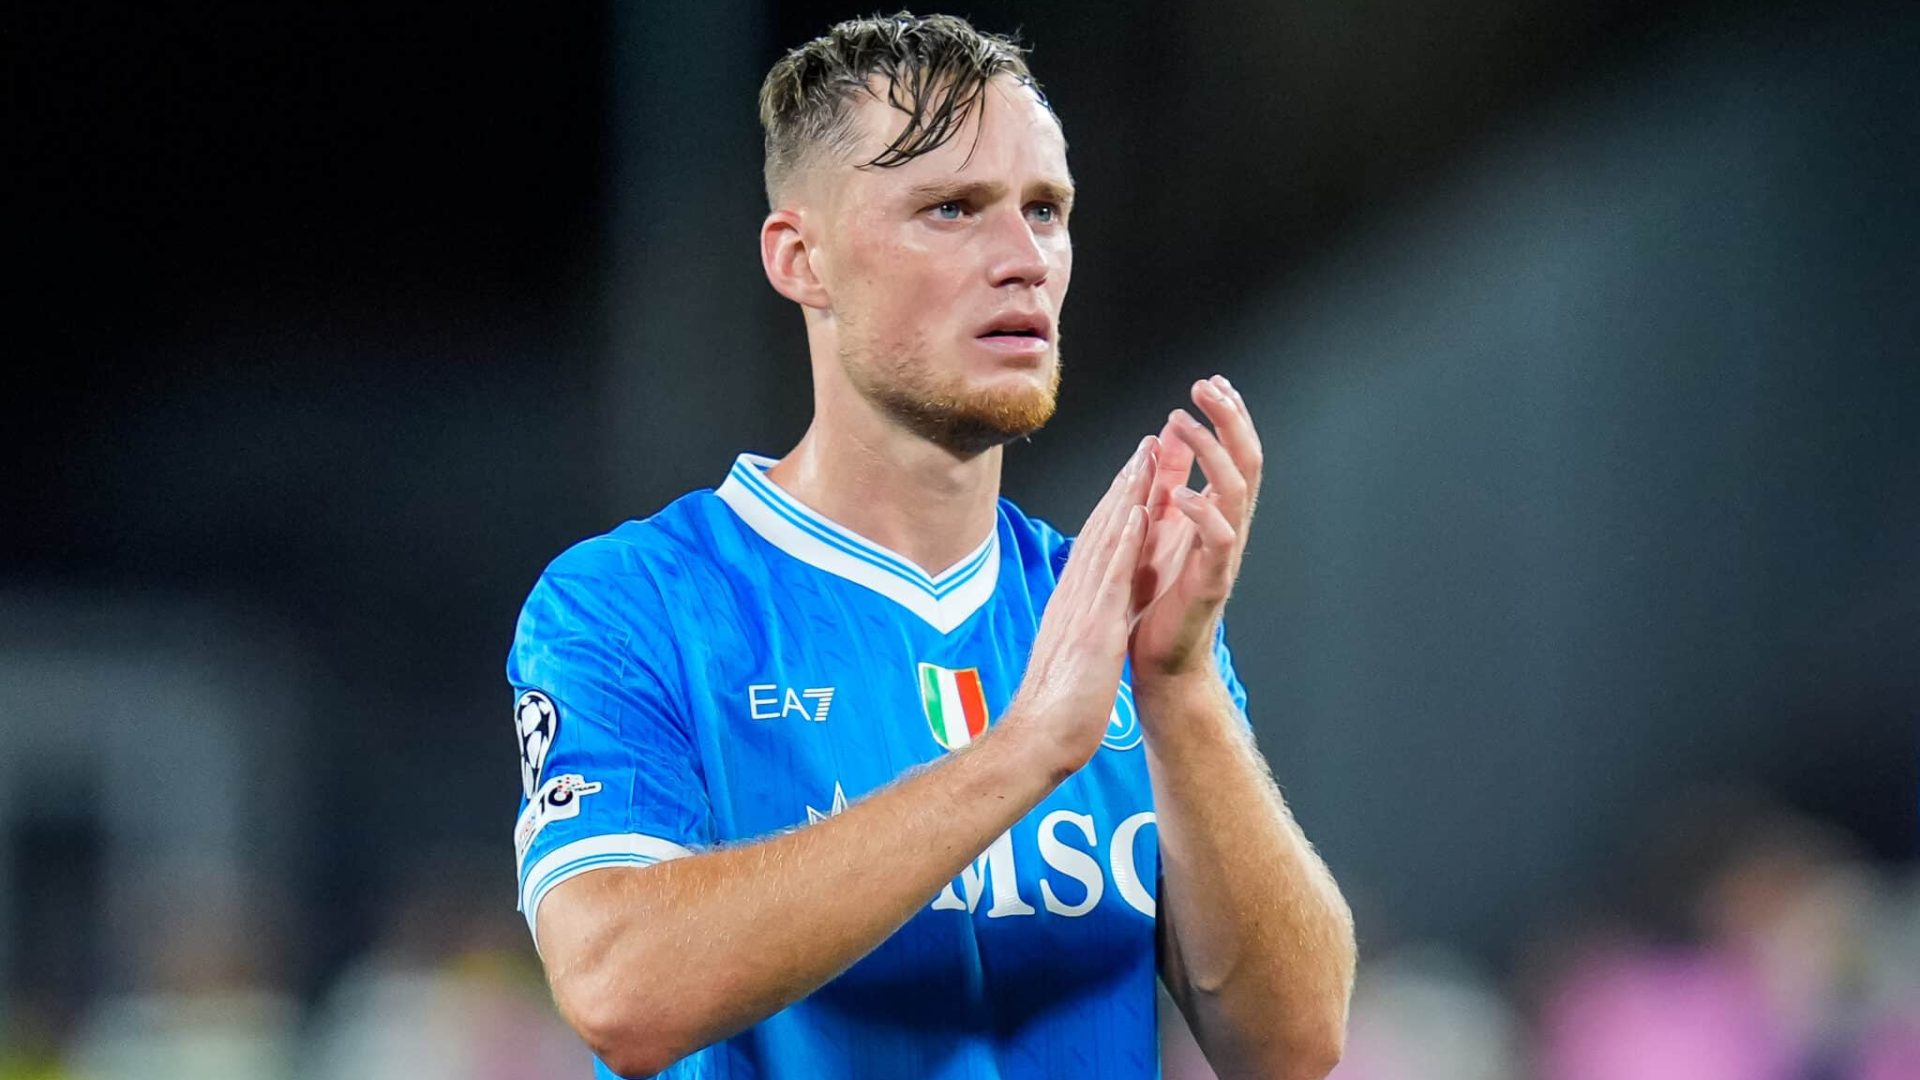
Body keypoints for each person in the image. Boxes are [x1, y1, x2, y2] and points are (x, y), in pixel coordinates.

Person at [507, 13, 1355, 1078]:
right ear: (800, 257)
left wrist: (1180, 686)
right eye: (951, 209)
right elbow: (621, 988)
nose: (1024, 260)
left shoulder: (1114, 612)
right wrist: (1022, 750)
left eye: (1046, 210)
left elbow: (1292, 1047)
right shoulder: (636, 605)